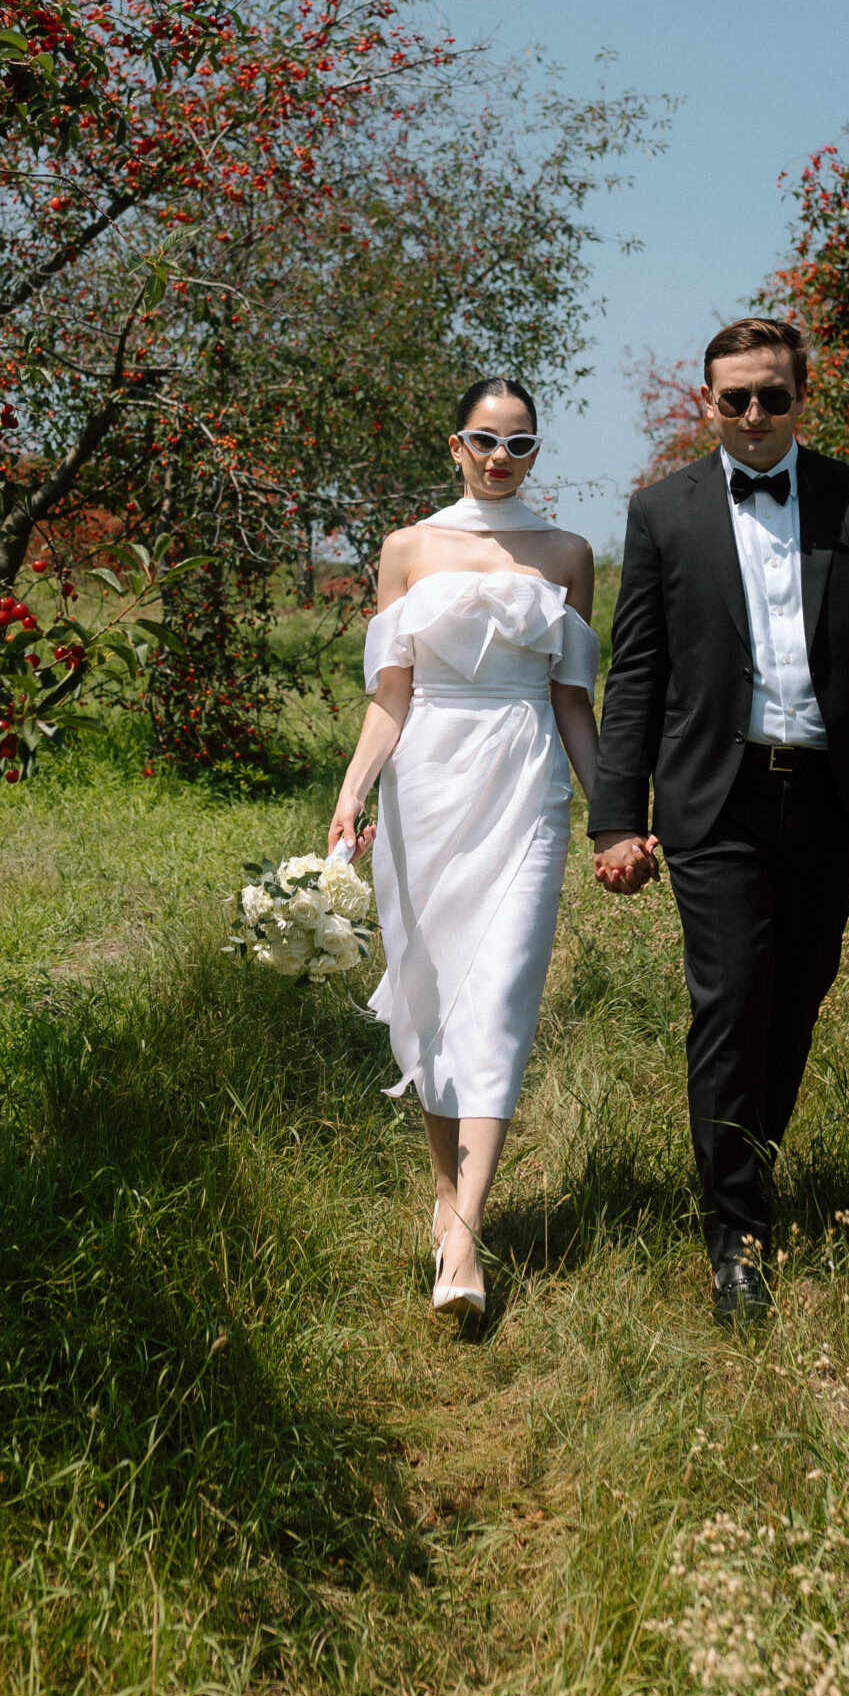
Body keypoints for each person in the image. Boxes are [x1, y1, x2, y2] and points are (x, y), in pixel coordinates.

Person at [588, 316, 849, 1327]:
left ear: (800, 397)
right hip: (715, 795)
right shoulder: (663, 512)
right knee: (731, 1002)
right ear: (706, 403)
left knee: (794, 999)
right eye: (732, 397)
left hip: (831, 794)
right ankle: (734, 1236)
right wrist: (617, 816)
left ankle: (750, 1162)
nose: (751, 413)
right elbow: (637, 673)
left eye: (769, 396)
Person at [329, 378, 599, 1320]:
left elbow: (574, 703)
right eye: (483, 441)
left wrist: (611, 813)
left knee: (502, 995)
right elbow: (390, 695)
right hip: (426, 786)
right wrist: (352, 795)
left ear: (536, 453)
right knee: (437, 996)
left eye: (519, 444)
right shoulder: (406, 549)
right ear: (454, 445)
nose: (499, 458)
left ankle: (466, 1235)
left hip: (527, 785)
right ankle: (448, 1209)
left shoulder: (567, 553)